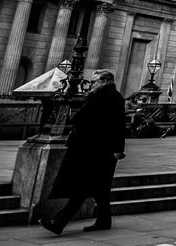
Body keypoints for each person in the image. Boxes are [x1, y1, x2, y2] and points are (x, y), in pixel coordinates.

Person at [40, 70, 127, 235]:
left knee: (82, 188)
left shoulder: (113, 97)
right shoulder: (97, 96)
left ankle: (58, 222)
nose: (90, 84)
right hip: (92, 148)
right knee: (101, 190)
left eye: (94, 81)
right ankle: (104, 221)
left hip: (99, 150)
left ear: (105, 81)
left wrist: (117, 149)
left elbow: (118, 124)